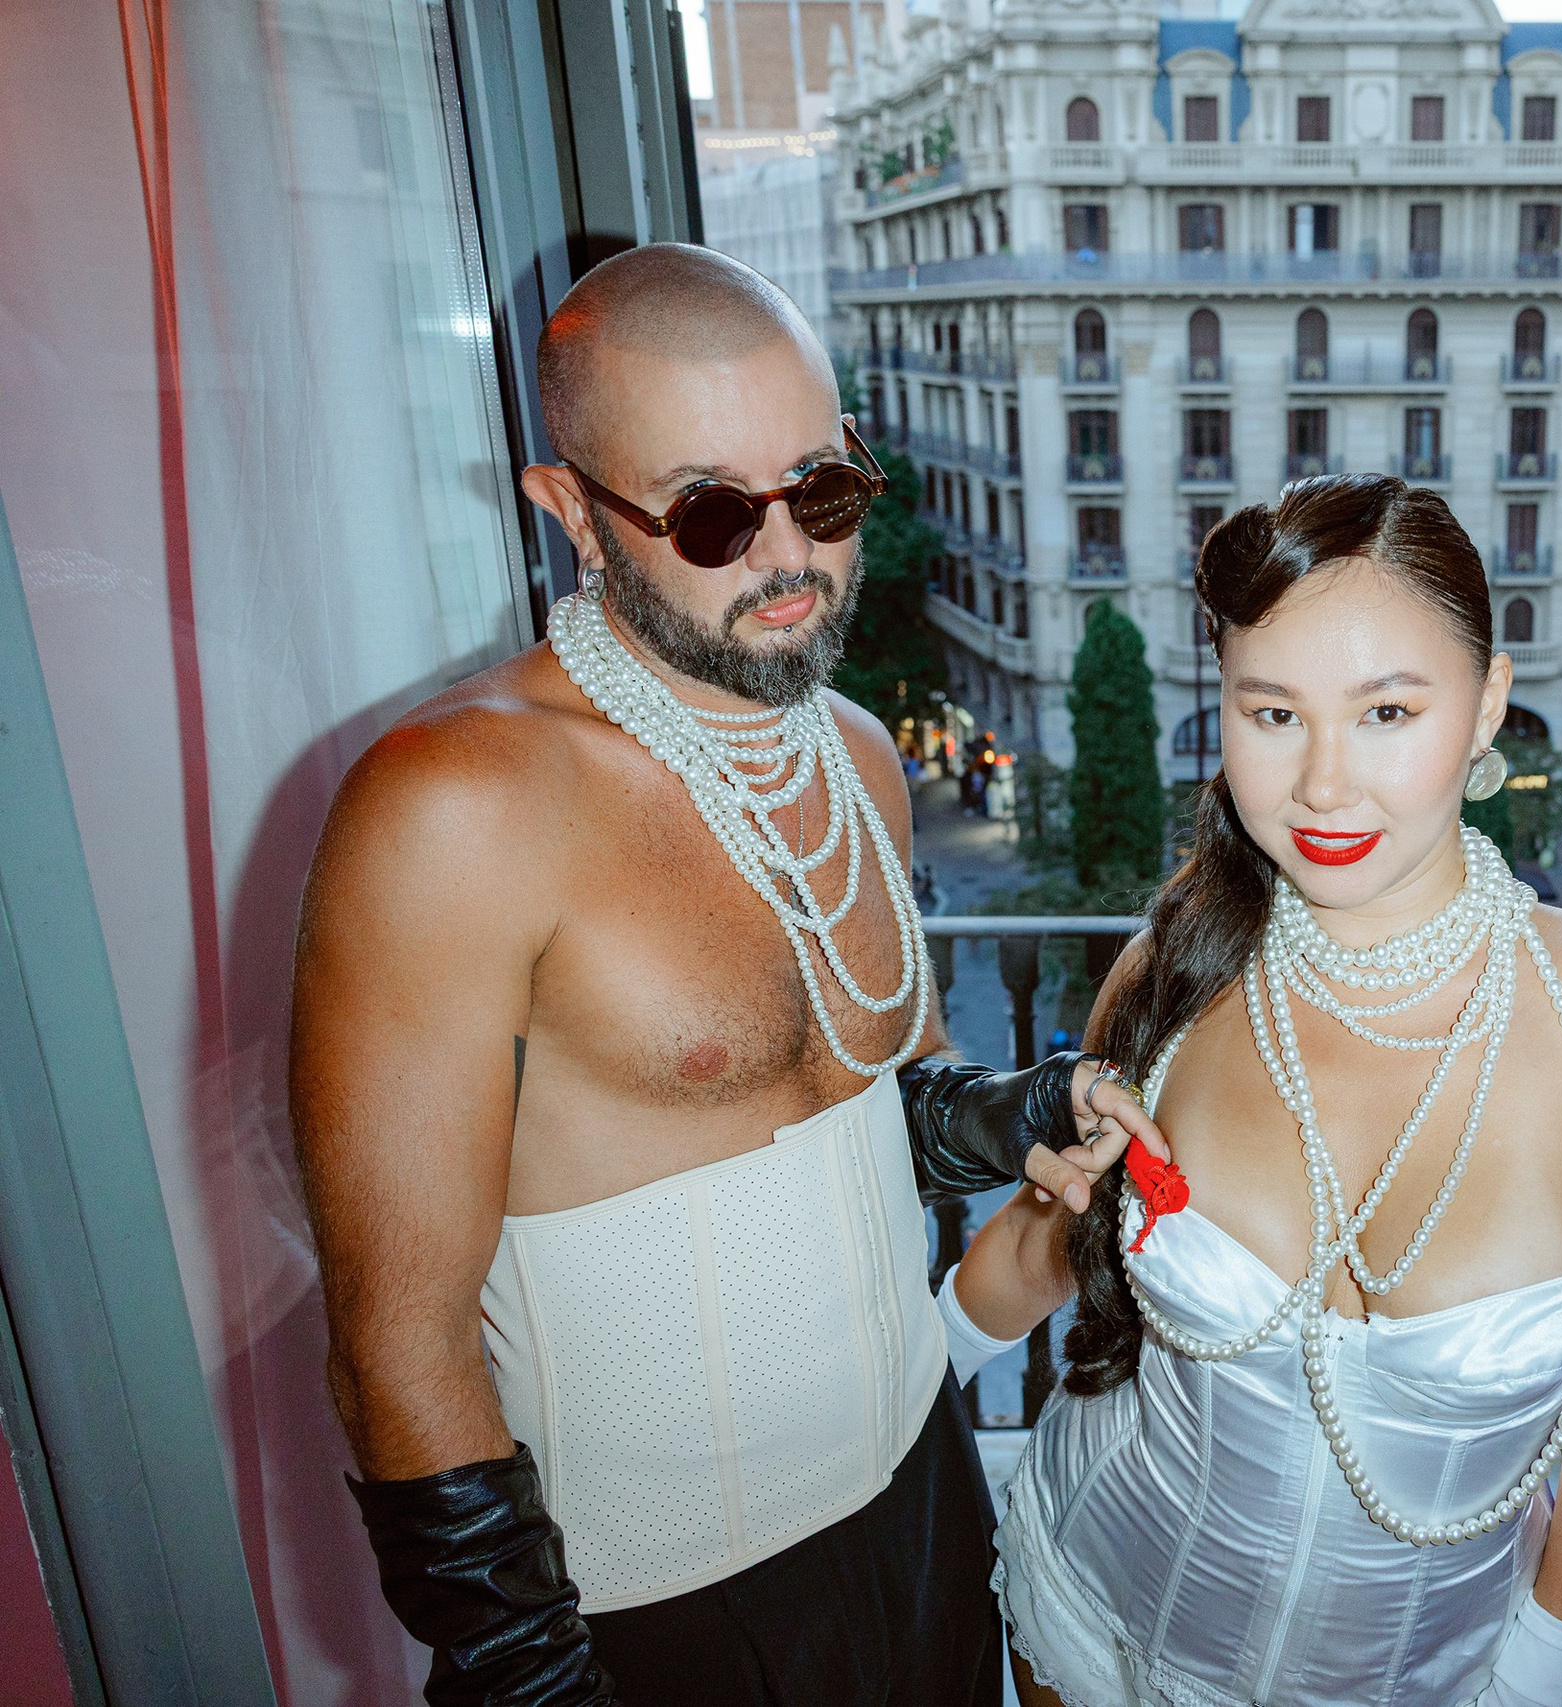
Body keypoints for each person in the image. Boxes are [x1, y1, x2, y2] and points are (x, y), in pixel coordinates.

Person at [290, 243, 1158, 1707]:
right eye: (709, 509)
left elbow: (873, 1093)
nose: (790, 557)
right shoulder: (454, 805)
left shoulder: (861, 758)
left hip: (925, 1505)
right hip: (658, 1615)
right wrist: (537, 1678)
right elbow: (398, 1338)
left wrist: (1016, 1110)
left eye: (820, 488)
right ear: (571, 507)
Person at [940, 475, 1562, 1707]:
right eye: (1273, 713)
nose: (1322, 784)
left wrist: (1539, 1660)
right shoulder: (1177, 969)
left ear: (1487, 708)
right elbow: (1057, 1240)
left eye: (1384, 713)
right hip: (1092, 1624)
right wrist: (885, 1389)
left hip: (1449, 1674)